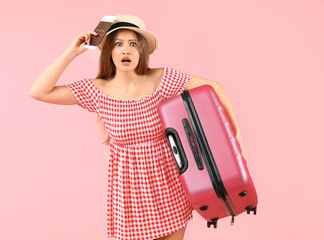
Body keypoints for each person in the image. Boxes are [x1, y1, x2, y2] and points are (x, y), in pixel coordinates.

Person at [29, 15, 245, 240]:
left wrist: (237, 139)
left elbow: (215, 87)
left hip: (170, 187)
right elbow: (39, 91)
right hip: (128, 194)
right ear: (109, 52)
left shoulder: (162, 79)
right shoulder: (96, 90)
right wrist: (72, 52)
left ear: (142, 51)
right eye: (118, 44)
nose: (126, 51)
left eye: (133, 44)